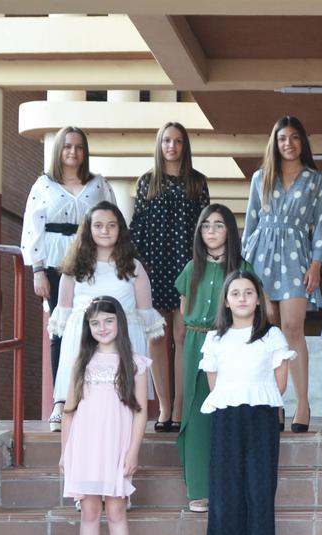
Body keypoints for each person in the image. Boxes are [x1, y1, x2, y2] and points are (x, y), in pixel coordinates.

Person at [199, 271, 295, 535]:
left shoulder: (271, 336)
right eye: (235, 293)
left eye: (249, 292)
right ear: (226, 301)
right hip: (226, 417)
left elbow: (280, 382)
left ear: (258, 299)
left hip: (261, 416)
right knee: (226, 492)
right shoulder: (215, 338)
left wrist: (257, 399)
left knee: (259, 490)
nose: (242, 298)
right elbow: (214, 383)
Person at [20, 126, 117, 430]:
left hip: (91, 262)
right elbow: (32, 227)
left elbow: (113, 220)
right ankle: (60, 401)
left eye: (78, 146)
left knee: (94, 328)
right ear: (59, 151)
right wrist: (37, 270)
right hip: (54, 262)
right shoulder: (44, 185)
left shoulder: (98, 185)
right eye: (67, 146)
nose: (73, 152)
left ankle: (93, 398)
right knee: (60, 330)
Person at [59, 296, 149, 535]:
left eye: (108, 321)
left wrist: (133, 451)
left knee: (115, 510)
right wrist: (65, 452)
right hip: (85, 446)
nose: (102, 327)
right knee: (89, 511)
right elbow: (69, 411)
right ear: (88, 327)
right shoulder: (81, 362)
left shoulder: (135, 363)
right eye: (95, 323)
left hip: (116, 445)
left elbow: (140, 412)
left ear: (119, 323)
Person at [242, 115, 322, 433]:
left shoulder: (316, 180)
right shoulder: (261, 177)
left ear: (302, 141)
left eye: (294, 137)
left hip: (297, 256)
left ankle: (302, 403)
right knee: (268, 330)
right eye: (282, 138)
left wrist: (316, 263)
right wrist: (244, 269)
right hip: (261, 256)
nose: (288, 143)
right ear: (274, 143)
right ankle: (274, 404)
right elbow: (251, 222)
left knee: (293, 328)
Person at [130, 122, 211, 432]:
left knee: (182, 336)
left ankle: (179, 407)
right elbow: (137, 227)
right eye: (166, 140)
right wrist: (137, 269)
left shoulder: (197, 182)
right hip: (154, 266)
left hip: (187, 267)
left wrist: (203, 267)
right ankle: (164, 406)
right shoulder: (147, 182)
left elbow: (206, 228)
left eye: (178, 141)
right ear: (159, 144)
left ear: (184, 146)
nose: (172, 146)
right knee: (157, 337)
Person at [49, 203, 164, 414]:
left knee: (117, 405)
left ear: (120, 229)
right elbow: (64, 309)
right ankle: (64, 405)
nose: (105, 231)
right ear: (88, 229)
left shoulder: (134, 266)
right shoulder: (74, 266)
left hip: (123, 337)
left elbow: (145, 312)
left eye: (111, 225)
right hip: (83, 337)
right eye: (98, 225)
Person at [174, 204, 252, 514]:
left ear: (230, 230)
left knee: (230, 411)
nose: (211, 231)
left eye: (219, 225)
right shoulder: (190, 268)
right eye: (206, 225)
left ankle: (232, 486)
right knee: (197, 413)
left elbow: (255, 308)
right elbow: (184, 309)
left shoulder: (242, 267)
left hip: (230, 343)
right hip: (197, 343)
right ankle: (199, 488)